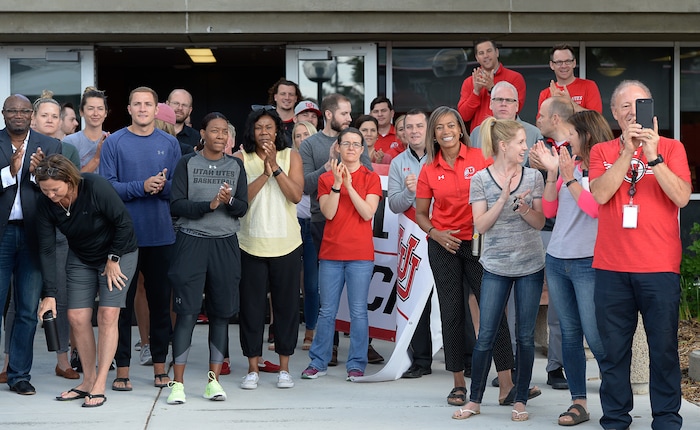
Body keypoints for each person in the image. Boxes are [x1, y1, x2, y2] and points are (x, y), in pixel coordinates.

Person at [589, 80, 690, 430]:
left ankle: (666, 420)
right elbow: (600, 194)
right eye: (625, 107)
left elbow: (680, 197)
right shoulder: (601, 151)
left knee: (663, 352)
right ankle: (615, 420)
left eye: (640, 104)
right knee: (614, 354)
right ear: (615, 114)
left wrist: (652, 156)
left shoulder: (673, 148)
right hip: (611, 269)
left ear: (651, 109)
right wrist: (625, 153)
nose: (633, 112)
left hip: (659, 267)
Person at [455, 117, 545, 422]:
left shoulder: (534, 177)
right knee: (486, 335)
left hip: (530, 266)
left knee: (525, 336)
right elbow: (479, 225)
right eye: (521, 142)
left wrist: (523, 208)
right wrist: (505, 197)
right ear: (504, 146)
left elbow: (540, 222)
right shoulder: (480, 179)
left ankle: (520, 400)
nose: (526, 147)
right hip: (494, 266)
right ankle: (474, 400)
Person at [35, 154, 139, 407]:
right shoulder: (45, 203)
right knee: (77, 317)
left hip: (118, 254)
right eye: (45, 190)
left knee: (107, 315)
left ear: (70, 180)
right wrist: (48, 294)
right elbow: (47, 249)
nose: (50, 195)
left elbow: (124, 224)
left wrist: (113, 258)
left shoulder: (95, 187)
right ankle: (87, 380)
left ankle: (100, 382)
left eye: (55, 189)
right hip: (81, 256)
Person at [529, 110, 611, 425]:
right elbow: (549, 209)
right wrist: (554, 174)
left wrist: (569, 177)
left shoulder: (604, 170)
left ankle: (615, 400)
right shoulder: (570, 168)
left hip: (589, 262)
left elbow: (594, 209)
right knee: (569, 334)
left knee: (596, 335)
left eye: (572, 135)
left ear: (586, 135)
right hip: (558, 259)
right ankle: (578, 402)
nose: (567, 140)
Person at [101, 86, 181, 392]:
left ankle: (160, 366)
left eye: (149, 104)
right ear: (129, 108)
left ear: (155, 109)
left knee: (161, 306)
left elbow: (179, 187)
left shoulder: (170, 143)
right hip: (123, 238)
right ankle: (122, 370)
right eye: (138, 104)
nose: (143, 108)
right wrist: (141, 186)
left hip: (161, 236)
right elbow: (108, 188)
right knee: (120, 308)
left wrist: (162, 186)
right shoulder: (115, 143)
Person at [166, 112, 248, 405]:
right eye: (215, 131)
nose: (221, 137)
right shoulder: (187, 162)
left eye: (225, 132)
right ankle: (177, 384)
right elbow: (175, 204)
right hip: (191, 242)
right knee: (187, 312)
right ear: (202, 133)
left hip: (225, 244)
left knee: (221, 313)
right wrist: (209, 204)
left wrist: (229, 202)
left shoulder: (236, 165)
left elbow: (242, 208)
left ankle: (213, 382)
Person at [298, 93, 379, 366]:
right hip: (327, 237)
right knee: (326, 307)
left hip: (358, 248)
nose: (353, 148)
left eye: (358, 144)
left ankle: (357, 361)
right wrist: (333, 176)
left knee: (358, 311)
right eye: (348, 144)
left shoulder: (368, 174)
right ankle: (321, 358)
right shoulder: (316, 158)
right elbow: (316, 198)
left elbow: (367, 208)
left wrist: (347, 184)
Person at [414, 107, 483, 406]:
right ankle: (457, 382)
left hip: (478, 243)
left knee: (491, 309)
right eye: (439, 127)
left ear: (460, 128)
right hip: (444, 245)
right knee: (451, 312)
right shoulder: (429, 168)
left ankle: (508, 376)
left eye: (451, 125)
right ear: (434, 134)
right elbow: (420, 213)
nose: (446, 131)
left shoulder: (481, 158)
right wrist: (435, 234)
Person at [235, 107, 303, 390]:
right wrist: (263, 174)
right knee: (250, 309)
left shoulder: (291, 156)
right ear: (252, 131)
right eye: (259, 128)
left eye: (269, 127)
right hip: (250, 243)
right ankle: (253, 367)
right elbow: (240, 202)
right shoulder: (241, 158)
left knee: (287, 308)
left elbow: (296, 195)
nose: (264, 132)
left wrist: (275, 167)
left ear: (278, 131)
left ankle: (284, 369)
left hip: (286, 243)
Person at [0, 94, 61, 395]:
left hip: (35, 236)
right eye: (13, 110)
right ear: (3, 113)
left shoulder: (50, 147)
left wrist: (37, 175)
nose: (19, 115)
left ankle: (19, 375)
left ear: (32, 115)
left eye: (25, 111)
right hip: (1, 236)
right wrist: (10, 172)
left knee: (26, 309)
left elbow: (57, 191)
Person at [533, 95, 576, 391]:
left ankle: (558, 366)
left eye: (541, 114)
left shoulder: (580, 149)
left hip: (573, 237)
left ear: (556, 118)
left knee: (563, 310)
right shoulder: (537, 149)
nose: (537, 118)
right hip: (539, 230)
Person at [387, 109, 432, 378]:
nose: (414, 131)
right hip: (415, 238)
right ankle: (421, 361)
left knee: (454, 299)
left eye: (419, 126)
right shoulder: (397, 163)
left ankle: (466, 359)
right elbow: (393, 204)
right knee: (417, 302)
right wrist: (409, 191)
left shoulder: (440, 156)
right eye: (408, 127)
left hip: (444, 232)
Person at [457, 39, 526, 132]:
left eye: (489, 51)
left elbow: (517, 108)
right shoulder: (469, 82)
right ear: (477, 58)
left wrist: (492, 89)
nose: (486, 55)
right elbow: (463, 116)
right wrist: (476, 92)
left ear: (497, 52)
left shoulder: (515, 78)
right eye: (481, 53)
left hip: (507, 134)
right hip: (480, 136)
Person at [469, 81, 543, 166]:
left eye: (509, 100)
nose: (503, 104)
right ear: (490, 104)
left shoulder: (534, 134)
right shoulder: (477, 133)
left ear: (517, 106)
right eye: (499, 99)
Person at [292, 120, 319, 350]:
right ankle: (288, 333)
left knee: (311, 284)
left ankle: (310, 331)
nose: (302, 139)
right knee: (289, 284)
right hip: (292, 224)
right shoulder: (290, 160)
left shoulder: (318, 161)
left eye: (306, 135)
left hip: (313, 225)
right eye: (297, 136)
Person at [537, 44, 602, 115]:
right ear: (552, 65)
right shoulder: (545, 94)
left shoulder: (589, 86)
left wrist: (569, 103)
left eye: (567, 61)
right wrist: (553, 104)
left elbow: (597, 119)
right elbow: (540, 123)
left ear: (574, 63)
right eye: (559, 62)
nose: (564, 66)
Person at [63, 86, 109, 173]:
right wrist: (96, 158)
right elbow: (70, 180)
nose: (96, 113)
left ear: (105, 113)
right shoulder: (70, 142)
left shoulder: (112, 141)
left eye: (100, 109)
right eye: (90, 108)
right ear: (81, 112)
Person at [268, 78, 302, 147]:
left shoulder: (301, 121)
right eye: (283, 94)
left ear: (296, 98)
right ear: (275, 97)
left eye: (291, 94)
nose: (287, 97)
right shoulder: (266, 120)